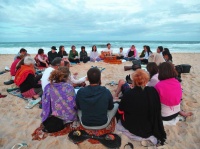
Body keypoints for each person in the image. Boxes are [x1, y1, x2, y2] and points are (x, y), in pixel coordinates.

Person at [117, 69, 166, 145]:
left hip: (132, 125)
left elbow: (120, 111)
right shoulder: (153, 91)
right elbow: (157, 109)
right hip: (149, 125)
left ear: (133, 81)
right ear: (146, 80)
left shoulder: (128, 94)